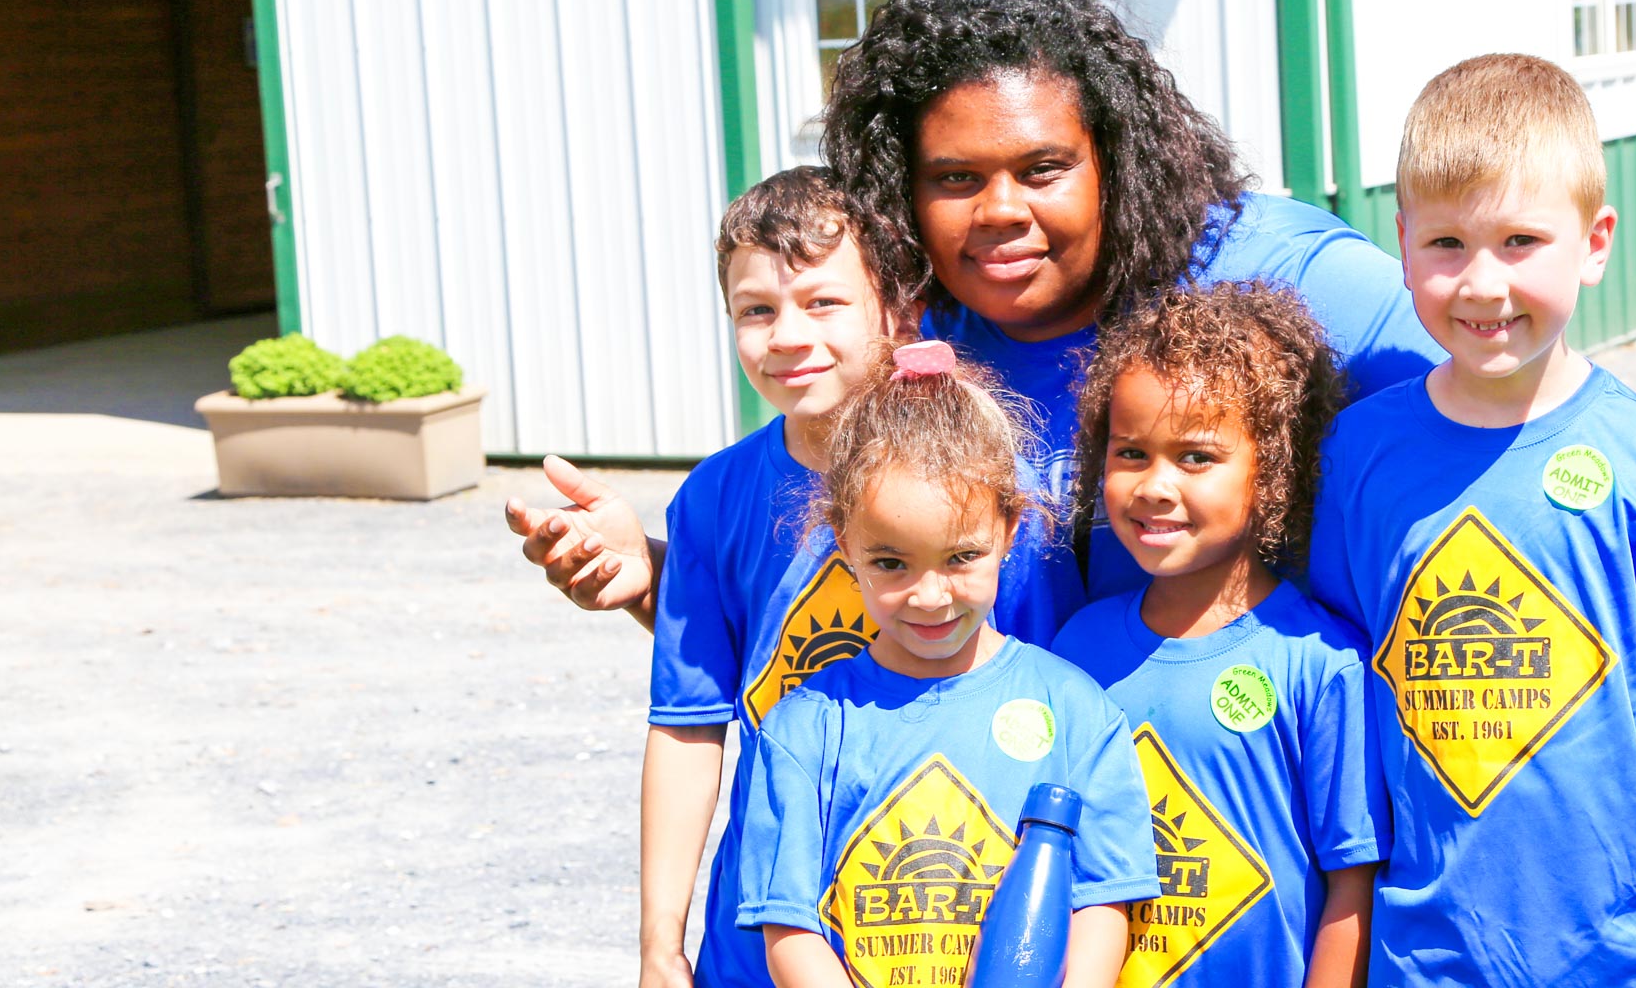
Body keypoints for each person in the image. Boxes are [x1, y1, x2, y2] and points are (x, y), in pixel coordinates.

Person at [510, 0, 1636, 652]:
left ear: (1116, 156)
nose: (1001, 214)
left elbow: (1513, 378)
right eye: (954, 181)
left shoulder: (1279, 279)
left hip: (1256, 809)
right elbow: (819, 584)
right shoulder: (906, 343)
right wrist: (653, 574)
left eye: (1044, 170)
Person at [1308, 55, 1636, 985]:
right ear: (1399, 243)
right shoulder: (1354, 457)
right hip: (1421, 960)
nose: (1481, 283)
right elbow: (1335, 705)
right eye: (1445, 245)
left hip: (1627, 961)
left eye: (1520, 241)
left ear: (1595, 242)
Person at [583, 169, 1079, 988]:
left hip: (956, 920)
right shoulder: (712, 499)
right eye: (756, 309)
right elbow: (687, 725)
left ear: (898, 312)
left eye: (822, 302)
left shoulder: (995, 490)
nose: (784, 334)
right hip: (764, 928)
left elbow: (1056, 711)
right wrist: (659, 944)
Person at [733, 343, 1158, 988]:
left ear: (1010, 530)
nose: (930, 597)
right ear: (844, 542)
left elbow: (1103, 900)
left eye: (961, 557)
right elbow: (790, 931)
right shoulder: (804, 731)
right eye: (891, 563)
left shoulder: (1075, 709)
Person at [1051, 284, 1383, 988]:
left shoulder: (1322, 664)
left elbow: (1352, 888)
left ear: (1273, 472)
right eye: (1132, 453)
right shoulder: (1073, 652)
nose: (1155, 486)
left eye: (1197, 458)